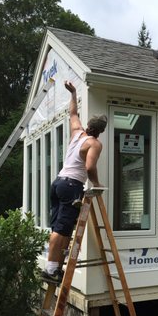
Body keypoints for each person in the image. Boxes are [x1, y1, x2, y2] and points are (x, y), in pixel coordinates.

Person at [41, 80, 107, 283]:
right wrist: (96, 184)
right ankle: (51, 269)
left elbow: (73, 114)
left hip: (58, 183)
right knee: (62, 230)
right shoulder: (94, 143)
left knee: (58, 228)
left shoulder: (77, 132)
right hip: (71, 186)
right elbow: (89, 167)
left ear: (89, 125)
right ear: (101, 130)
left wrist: (73, 93)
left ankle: (53, 267)